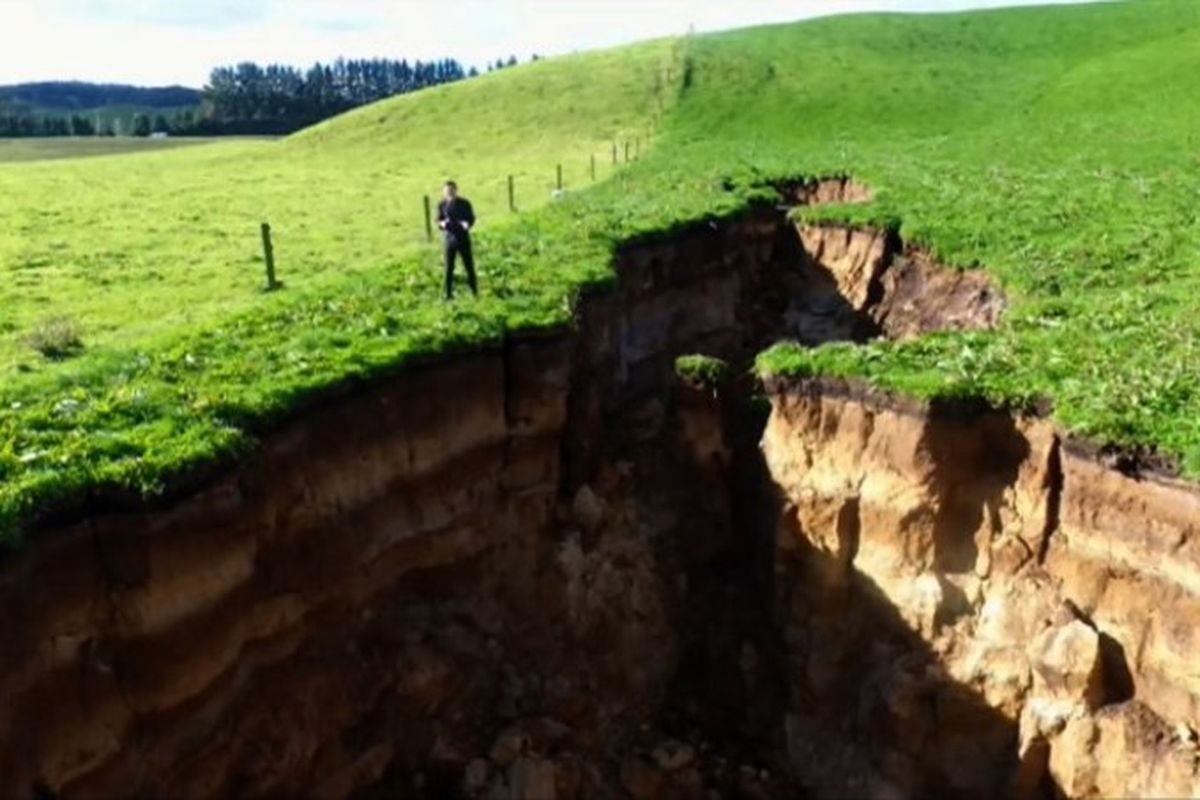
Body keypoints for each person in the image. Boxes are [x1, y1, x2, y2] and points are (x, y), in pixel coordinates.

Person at [436, 181, 477, 299]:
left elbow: (471, 218)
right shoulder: (441, 205)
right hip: (449, 240)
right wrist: (442, 224)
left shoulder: (465, 203)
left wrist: (466, 224)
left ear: (456, 190)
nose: (450, 193)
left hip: (463, 238)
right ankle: (448, 294)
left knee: (469, 266)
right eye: (447, 191)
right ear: (444, 192)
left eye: (452, 190)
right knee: (449, 268)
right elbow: (439, 220)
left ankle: (475, 292)